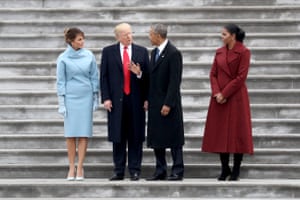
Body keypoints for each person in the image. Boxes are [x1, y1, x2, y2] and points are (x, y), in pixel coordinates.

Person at [202, 23, 254, 181]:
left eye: (224, 34)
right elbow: (213, 74)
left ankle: (236, 170)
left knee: (238, 133)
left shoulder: (244, 52)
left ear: (233, 36)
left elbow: (241, 77)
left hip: (236, 97)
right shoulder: (219, 52)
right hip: (219, 99)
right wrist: (217, 92)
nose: (221, 37)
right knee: (220, 133)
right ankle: (225, 168)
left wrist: (225, 93)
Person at [100, 23, 149, 181]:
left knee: (135, 136)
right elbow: (104, 77)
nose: (129, 37)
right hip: (116, 101)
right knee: (118, 136)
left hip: (136, 100)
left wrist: (139, 73)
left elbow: (149, 78)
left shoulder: (142, 51)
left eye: (130, 33)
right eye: (125, 34)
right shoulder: (108, 52)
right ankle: (118, 170)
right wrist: (106, 98)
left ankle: (135, 170)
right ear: (118, 37)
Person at [56, 27, 99, 181]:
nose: (82, 42)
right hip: (70, 97)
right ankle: (71, 167)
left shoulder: (89, 56)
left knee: (83, 133)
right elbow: (60, 81)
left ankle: (80, 167)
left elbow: (95, 77)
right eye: (79, 39)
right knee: (70, 134)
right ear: (71, 41)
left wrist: (95, 97)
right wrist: (62, 102)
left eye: (83, 39)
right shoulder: (62, 58)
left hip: (85, 96)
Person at [146, 23, 185, 181]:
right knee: (157, 138)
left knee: (174, 138)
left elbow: (174, 82)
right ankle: (160, 170)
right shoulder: (154, 52)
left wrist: (168, 103)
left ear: (158, 36)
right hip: (155, 102)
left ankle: (177, 170)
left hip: (169, 103)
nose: (149, 37)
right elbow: (153, 78)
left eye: (151, 34)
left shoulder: (173, 53)